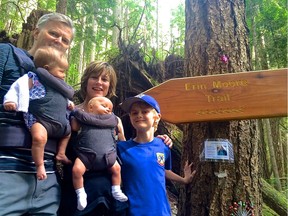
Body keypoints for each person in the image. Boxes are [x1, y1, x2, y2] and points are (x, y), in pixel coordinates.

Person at [59, 61, 172, 216]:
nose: (99, 82)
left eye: (104, 79)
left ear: (109, 86)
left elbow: (124, 152)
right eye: (94, 77)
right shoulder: (71, 113)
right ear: (86, 81)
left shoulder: (115, 120)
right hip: (78, 187)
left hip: (108, 191)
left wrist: (157, 140)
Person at [0, 12, 74, 215]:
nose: (59, 41)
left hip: (48, 183)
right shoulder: (7, 55)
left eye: (65, 40)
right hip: (6, 174)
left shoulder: (61, 82)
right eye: (53, 33)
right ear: (36, 32)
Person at [118, 93, 197, 216]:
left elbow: (162, 170)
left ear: (157, 117)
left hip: (161, 211)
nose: (139, 115)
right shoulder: (122, 148)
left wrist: (184, 180)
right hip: (133, 211)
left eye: (145, 112)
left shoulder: (163, 146)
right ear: (130, 117)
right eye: (134, 113)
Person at [3, 46, 74, 180]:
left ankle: (61, 153)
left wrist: (69, 103)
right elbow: (17, 87)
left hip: (59, 122)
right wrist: (11, 100)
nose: (64, 74)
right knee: (39, 138)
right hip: (40, 120)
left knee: (68, 133)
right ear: (47, 68)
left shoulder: (59, 84)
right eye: (61, 71)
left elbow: (62, 98)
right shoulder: (33, 78)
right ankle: (39, 165)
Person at [71, 96, 127, 211]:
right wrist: (73, 115)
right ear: (91, 107)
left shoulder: (114, 121)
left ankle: (116, 190)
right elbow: (74, 128)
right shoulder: (83, 117)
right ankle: (80, 193)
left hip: (108, 156)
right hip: (87, 155)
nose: (108, 109)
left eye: (110, 108)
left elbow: (123, 141)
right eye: (104, 106)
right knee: (76, 170)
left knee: (117, 169)